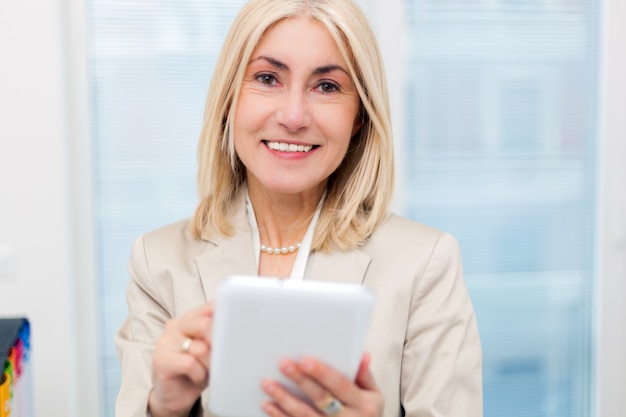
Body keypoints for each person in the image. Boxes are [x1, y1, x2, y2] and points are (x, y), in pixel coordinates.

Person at [115, 0, 483, 416]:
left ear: (359, 115)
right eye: (268, 78)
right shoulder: (157, 261)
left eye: (327, 86)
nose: (293, 116)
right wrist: (164, 408)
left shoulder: (425, 265)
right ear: (229, 99)